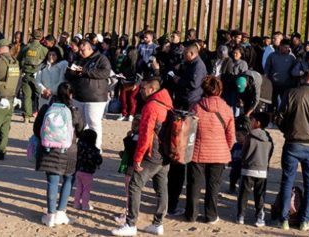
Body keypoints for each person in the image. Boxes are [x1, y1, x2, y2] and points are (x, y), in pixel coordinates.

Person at [111, 78, 171, 237]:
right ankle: (158, 224)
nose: (140, 91)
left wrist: (138, 157)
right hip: (166, 153)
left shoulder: (151, 106)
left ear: (151, 89)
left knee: (134, 186)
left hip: (152, 153)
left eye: (143, 88)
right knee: (161, 189)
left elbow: (145, 134)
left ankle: (131, 224)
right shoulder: (167, 102)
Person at [274, 70, 309, 230]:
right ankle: (305, 221)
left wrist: (286, 130)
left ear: (303, 80)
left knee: (287, 181)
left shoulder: (291, 93)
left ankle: (284, 219)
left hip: (292, 142)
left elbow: (279, 117)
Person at [184, 76, 235, 224]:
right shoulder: (227, 109)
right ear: (220, 90)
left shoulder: (196, 107)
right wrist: (226, 148)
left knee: (194, 185)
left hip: (197, 152)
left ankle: (191, 214)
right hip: (219, 152)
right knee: (214, 186)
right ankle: (211, 215)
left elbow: (189, 131)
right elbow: (231, 135)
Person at [33, 82, 84, 227]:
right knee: (68, 180)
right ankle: (61, 213)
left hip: (49, 151)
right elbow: (80, 131)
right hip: (69, 151)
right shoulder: (75, 110)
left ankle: (50, 216)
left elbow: (37, 130)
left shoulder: (46, 108)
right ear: (71, 95)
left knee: (52, 181)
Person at [65, 39, 112, 149]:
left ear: (90, 48)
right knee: (79, 123)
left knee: (93, 123)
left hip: (95, 98)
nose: (81, 52)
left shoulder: (101, 59)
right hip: (78, 97)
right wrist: (73, 72)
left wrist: (84, 71)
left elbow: (105, 73)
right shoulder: (78, 60)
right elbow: (67, 75)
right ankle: (82, 145)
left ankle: (96, 147)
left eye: (83, 50)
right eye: (79, 50)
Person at [236, 112, 273, 227]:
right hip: (262, 170)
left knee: (244, 194)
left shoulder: (249, 136)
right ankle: (259, 218)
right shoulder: (269, 137)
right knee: (260, 195)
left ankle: (241, 216)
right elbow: (270, 153)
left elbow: (244, 153)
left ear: (258, 123)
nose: (251, 122)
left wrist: (243, 160)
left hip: (248, 169)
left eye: (252, 120)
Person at [18, 29, 48, 123]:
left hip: (26, 74)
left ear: (32, 36)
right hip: (38, 76)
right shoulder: (44, 49)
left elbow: (19, 59)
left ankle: (26, 117)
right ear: (41, 37)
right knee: (40, 96)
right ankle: (41, 115)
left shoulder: (26, 47)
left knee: (27, 96)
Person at [74, 128, 103, 211]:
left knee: (79, 188)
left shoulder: (78, 147)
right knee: (86, 189)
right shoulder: (93, 150)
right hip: (88, 173)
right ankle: (85, 205)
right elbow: (98, 160)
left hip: (78, 170)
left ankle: (76, 203)